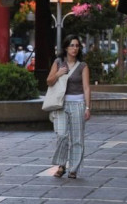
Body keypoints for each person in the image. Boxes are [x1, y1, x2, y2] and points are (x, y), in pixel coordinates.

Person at [46, 34, 91, 179]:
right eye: (72, 45)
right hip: (60, 104)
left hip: (78, 103)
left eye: (77, 46)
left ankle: (73, 168)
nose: (74, 48)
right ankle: (61, 165)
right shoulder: (58, 62)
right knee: (61, 135)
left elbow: (86, 87)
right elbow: (49, 81)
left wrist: (88, 107)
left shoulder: (83, 66)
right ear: (66, 47)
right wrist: (59, 73)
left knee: (77, 138)